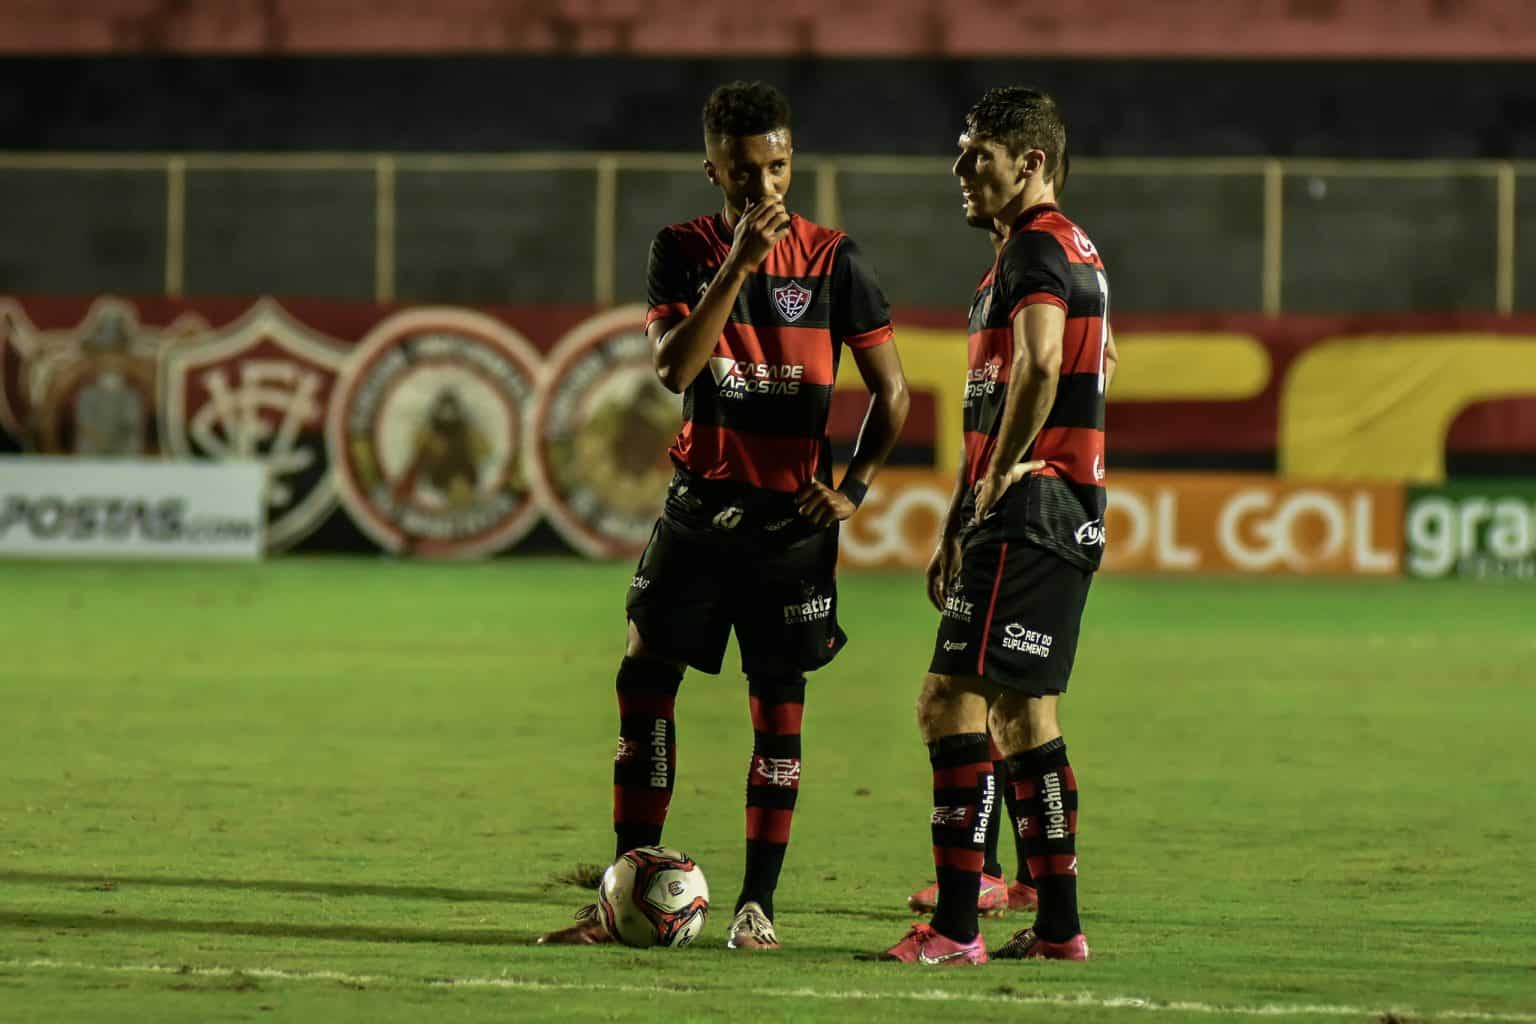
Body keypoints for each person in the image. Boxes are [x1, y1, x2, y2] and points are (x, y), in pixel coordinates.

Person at [539, 80, 910, 952]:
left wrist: (852, 489)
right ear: (712, 168)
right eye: (745, 171)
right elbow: (674, 368)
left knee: (778, 708)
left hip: (790, 530)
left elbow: (892, 392)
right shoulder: (683, 250)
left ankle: (758, 908)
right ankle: (624, 888)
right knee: (642, 683)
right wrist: (739, 266)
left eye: (777, 168)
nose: (764, 188)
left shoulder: (835, 261)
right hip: (700, 515)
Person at [864, 86, 1116, 966]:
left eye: (978, 153)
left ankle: (958, 927)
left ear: (1031, 163)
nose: (961, 169)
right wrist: (956, 520)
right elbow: (1074, 363)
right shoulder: (1071, 252)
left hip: (1032, 510)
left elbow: (1043, 366)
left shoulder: (1034, 252)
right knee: (1023, 716)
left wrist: (1003, 473)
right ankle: (1056, 929)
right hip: (1058, 511)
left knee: (947, 703)